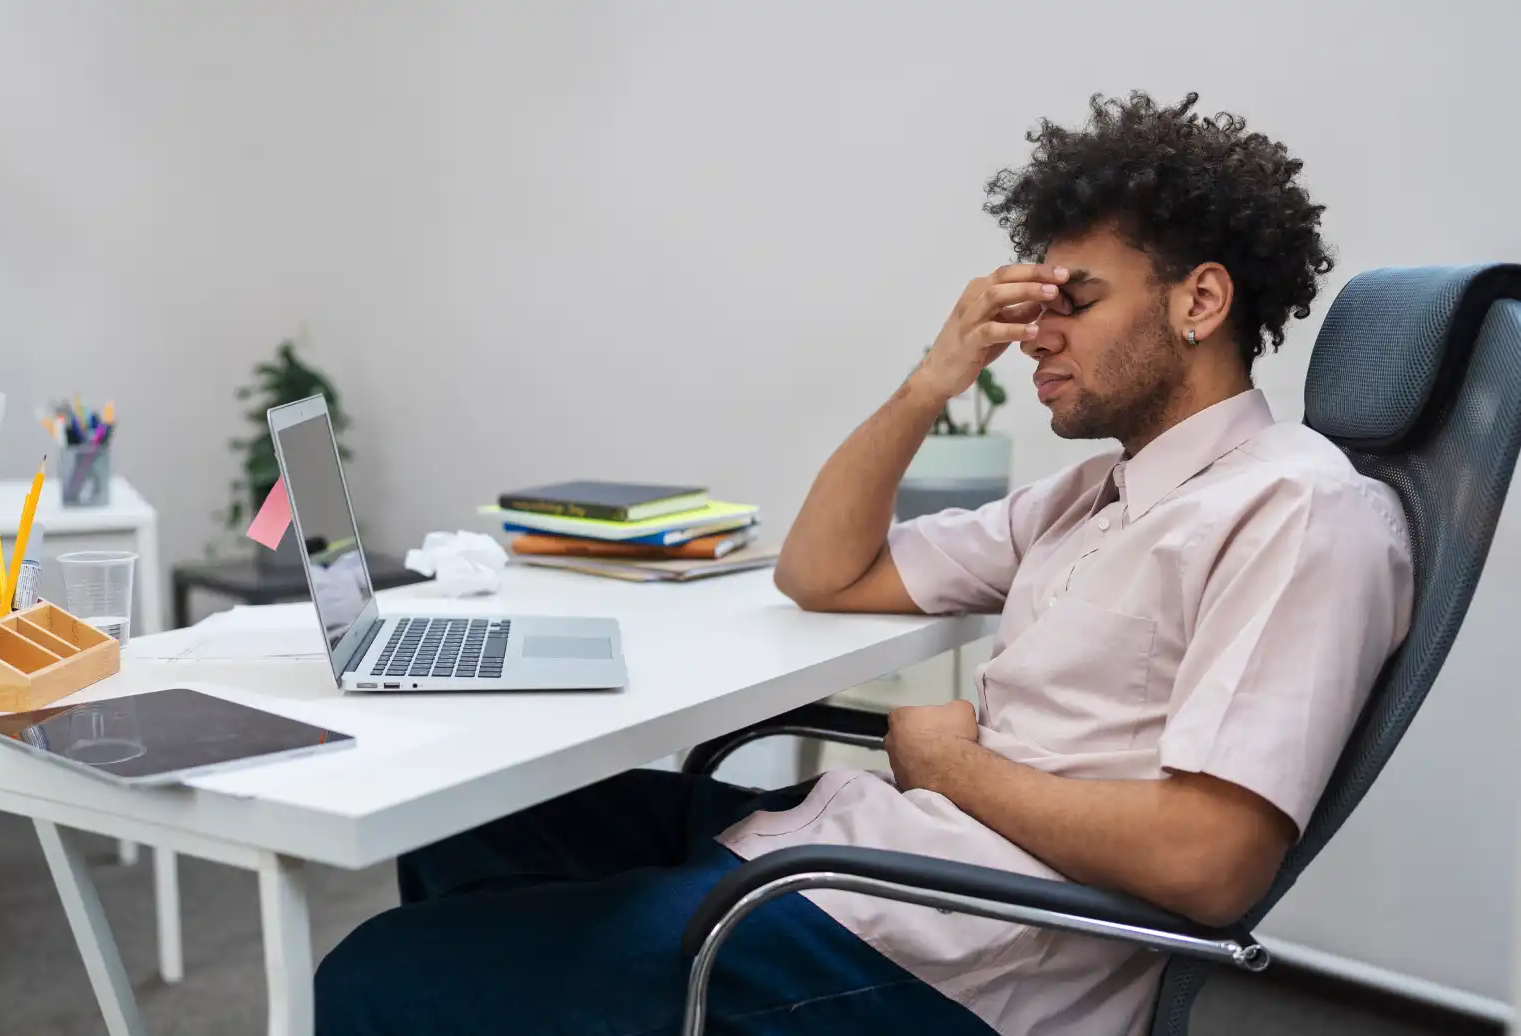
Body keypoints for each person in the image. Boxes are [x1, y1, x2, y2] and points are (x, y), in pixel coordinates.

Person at [311, 91, 1414, 1036]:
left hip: (960, 958)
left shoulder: (1297, 508)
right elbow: (821, 572)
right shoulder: (1095, 495)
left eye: (1069, 302)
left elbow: (1210, 864)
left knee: (374, 975)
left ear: (1200, 301)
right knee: (479, 823)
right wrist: (934, 377)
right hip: (871, 855)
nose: (1036, 335)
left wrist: (953, 768)